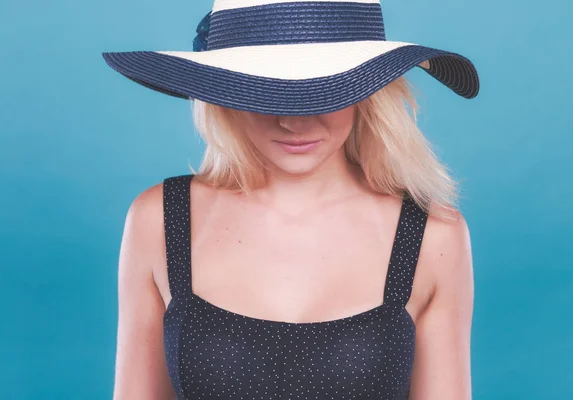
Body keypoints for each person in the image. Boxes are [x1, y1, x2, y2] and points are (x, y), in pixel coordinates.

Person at [103, 0, 479, 399]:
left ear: (368, 91)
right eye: (268, 93)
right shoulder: (158, 220)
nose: (294, 123)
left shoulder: (433, 237)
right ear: (224, 94)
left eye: (323, 93)